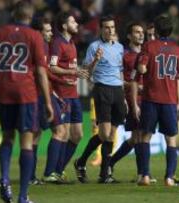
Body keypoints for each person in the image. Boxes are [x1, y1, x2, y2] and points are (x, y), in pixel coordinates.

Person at [0, 2, 53, 203]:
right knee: (26, 142)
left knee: (7, 137)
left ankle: (5, 178)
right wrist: (48, 102)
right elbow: (41, 72)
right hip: (26, 94)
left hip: (4, 91)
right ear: (31, 17)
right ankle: (23, 197)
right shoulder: (34, 36)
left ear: (14, 13)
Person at [133, 15, 179, 186]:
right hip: (170, 100)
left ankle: (146, 176)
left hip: (151, 98)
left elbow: (142, 67)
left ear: (155, 30)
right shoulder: (178, 50)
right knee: (170, 139)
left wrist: (145, 68)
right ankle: (170, 178)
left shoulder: (149, 46)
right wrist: (170, 75)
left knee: (145, 136)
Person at [74, 15, 126, 184]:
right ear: (101, 29)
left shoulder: (119, 47)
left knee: (111, 134)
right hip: (102, 89)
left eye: (112, 27)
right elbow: (87, 72)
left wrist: (123, 94)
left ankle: (105, 174)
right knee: (103, 134)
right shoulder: (94, 47)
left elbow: (121, 71)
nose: (110, 30)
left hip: (117, 90)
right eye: (107, 27)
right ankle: (81, 162)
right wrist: (96, 59)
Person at [30, 17, 74, 184]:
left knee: (36, 135)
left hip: (44, 94)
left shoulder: (43, 47)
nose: (50, 34)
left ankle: (32, 176)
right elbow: (43, 74)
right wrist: (65, 79)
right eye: (47, 31)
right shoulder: (40, 47)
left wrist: (55, 96)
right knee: (60, 131)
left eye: (50, 31)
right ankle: (49, 173)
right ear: (38, 33)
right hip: (40, 96)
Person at [49, 12, 88, 182]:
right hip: (62, 94)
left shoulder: (71, 43)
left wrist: (78, 72)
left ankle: (59, 170)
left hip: (74, 94)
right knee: (63, 133)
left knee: (77, 135)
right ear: (64, 26)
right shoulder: (58, 43)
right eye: (73, 21)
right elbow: (52, 67)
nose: (76, 23)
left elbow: (70, 68)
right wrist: (72, 71)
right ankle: (53, 172)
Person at [107, 21, 145, 181]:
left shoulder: (147, 53)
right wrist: (133, 85)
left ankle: (110, 162)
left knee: (137, 138)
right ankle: (142, 174)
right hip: (132, 99)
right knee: (138, 136)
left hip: (148, 100)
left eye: (142, 32)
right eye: (137, 32)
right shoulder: (124, 55)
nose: (141, 34)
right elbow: (117, 79)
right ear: (129, 36)